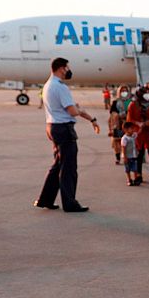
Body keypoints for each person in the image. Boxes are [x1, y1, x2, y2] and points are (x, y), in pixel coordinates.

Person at [34, 58, 100, 212]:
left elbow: (71, 109)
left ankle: (45, 199)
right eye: (67, 67)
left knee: (58, 165)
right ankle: (70, 203)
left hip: (52, 127)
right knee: (68, 168)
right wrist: (78, 110)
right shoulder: (60, 87)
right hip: (63, 129)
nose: (68, 70)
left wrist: (91, 118)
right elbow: (72, 111)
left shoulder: (48, 85)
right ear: (61, 68)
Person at [126, 87, 149, 184]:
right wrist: (138, 123)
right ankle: (139, 174)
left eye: (148, 92)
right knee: (139, 154)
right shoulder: (133, 105)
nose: (147, 94)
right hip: (139, 132)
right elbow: (129, 119)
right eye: (145, 93)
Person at [109, 85, 132, 165]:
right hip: (118, 123)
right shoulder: (115, 102)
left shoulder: (131, 101)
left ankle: (127, 156)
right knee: (117, 141)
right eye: (122, 91)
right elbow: (112, 112)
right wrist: (118, 115)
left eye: (125, 90)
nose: (124, 92)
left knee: (128, 141)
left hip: (128, 123)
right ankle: (118, 157)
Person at [121, 122, 140, 186]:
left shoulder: (134, 135)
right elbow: (123, 148)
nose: (133, 130)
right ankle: (129, 179)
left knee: (135, 168)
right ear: (125, 130)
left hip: (133, 155)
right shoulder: (124, 138)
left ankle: (135, 179)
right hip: (127, 156)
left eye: (133, 128)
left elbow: (139, 132)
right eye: (131, 128)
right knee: (128, 169)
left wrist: (141, 126)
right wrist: (125, 157)